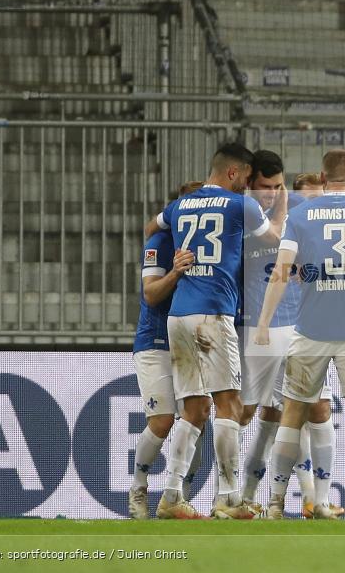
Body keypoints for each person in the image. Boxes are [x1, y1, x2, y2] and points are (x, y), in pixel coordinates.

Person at [255, 149, 345, 520]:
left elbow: (281, 271)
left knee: (292, 415)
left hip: (311, 329)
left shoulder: (300, 215)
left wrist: (266, 322)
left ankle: (274, 502)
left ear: (322, 175)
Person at [153, 143, 284, 520]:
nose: (246, 184)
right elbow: (274, 237)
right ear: (233, 172)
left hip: (178, 314)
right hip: (213, 315)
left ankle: (172, 495)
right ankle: (227, 498)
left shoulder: (183, 204)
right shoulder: (239, 204)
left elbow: (151, 226)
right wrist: (284, 201)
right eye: (245, 177)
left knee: (193, 409)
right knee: (229, 406)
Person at [239, 150, 344, 519]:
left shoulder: (296, 207)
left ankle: (300, 499)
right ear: (251, 183)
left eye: (277, 187)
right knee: (251, 414)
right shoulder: (244, 213)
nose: (272, 193)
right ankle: (244, 495)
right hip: (258, 327)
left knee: (302, 411)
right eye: (266, 187)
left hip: (299, 326)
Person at [129, 181, 205, 519]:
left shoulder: (209, 244)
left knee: (196, 418)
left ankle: (179, 496)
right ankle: (138, 489)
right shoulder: (160, 241)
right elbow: (151, 294)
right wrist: (176, 271)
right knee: (161, 420)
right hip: (156, 341)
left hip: (191, 342)